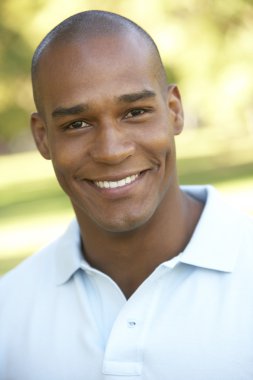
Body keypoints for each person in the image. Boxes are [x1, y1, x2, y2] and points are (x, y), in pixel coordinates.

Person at [0, 10, 253, 380]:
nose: (111, 150)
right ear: (42, 137)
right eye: (77, 124)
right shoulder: (9, 310)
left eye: (135, 112)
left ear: (174, 112)